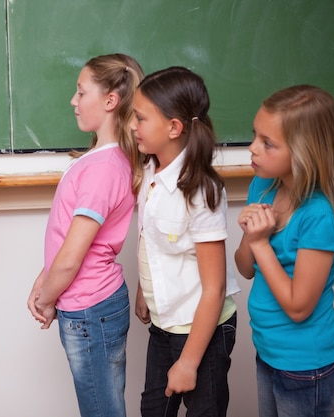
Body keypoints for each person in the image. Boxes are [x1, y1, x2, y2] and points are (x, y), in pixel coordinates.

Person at [26, 53, 144, 417]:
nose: (73, 101)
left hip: (90, 310)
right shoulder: (101, 159)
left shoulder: (103, 169)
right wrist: (43, 280)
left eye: (81, 92)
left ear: (111, 101)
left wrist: (46, 299)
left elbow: (75, 254)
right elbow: (70, 240)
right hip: (88, 305)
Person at [130, 66, 240, 417]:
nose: (132, 126)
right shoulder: (150, 170)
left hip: (202, 332)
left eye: (140, 118)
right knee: (153, 409)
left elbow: (215, 286)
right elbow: (151, 239)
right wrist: (143, 291)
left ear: (174, 127)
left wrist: (190, 362)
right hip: (165, 325)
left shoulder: (200, 191)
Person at [234, 85, 334, 417]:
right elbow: (245, 267)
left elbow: (298, 308)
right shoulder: (262, 186)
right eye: (255, 136)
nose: (251, 148)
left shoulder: (318, 217)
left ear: (303, 152)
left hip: (307, 365)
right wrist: (252, 238)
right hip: (268, 351)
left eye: (267, 143)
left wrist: (262, 243)